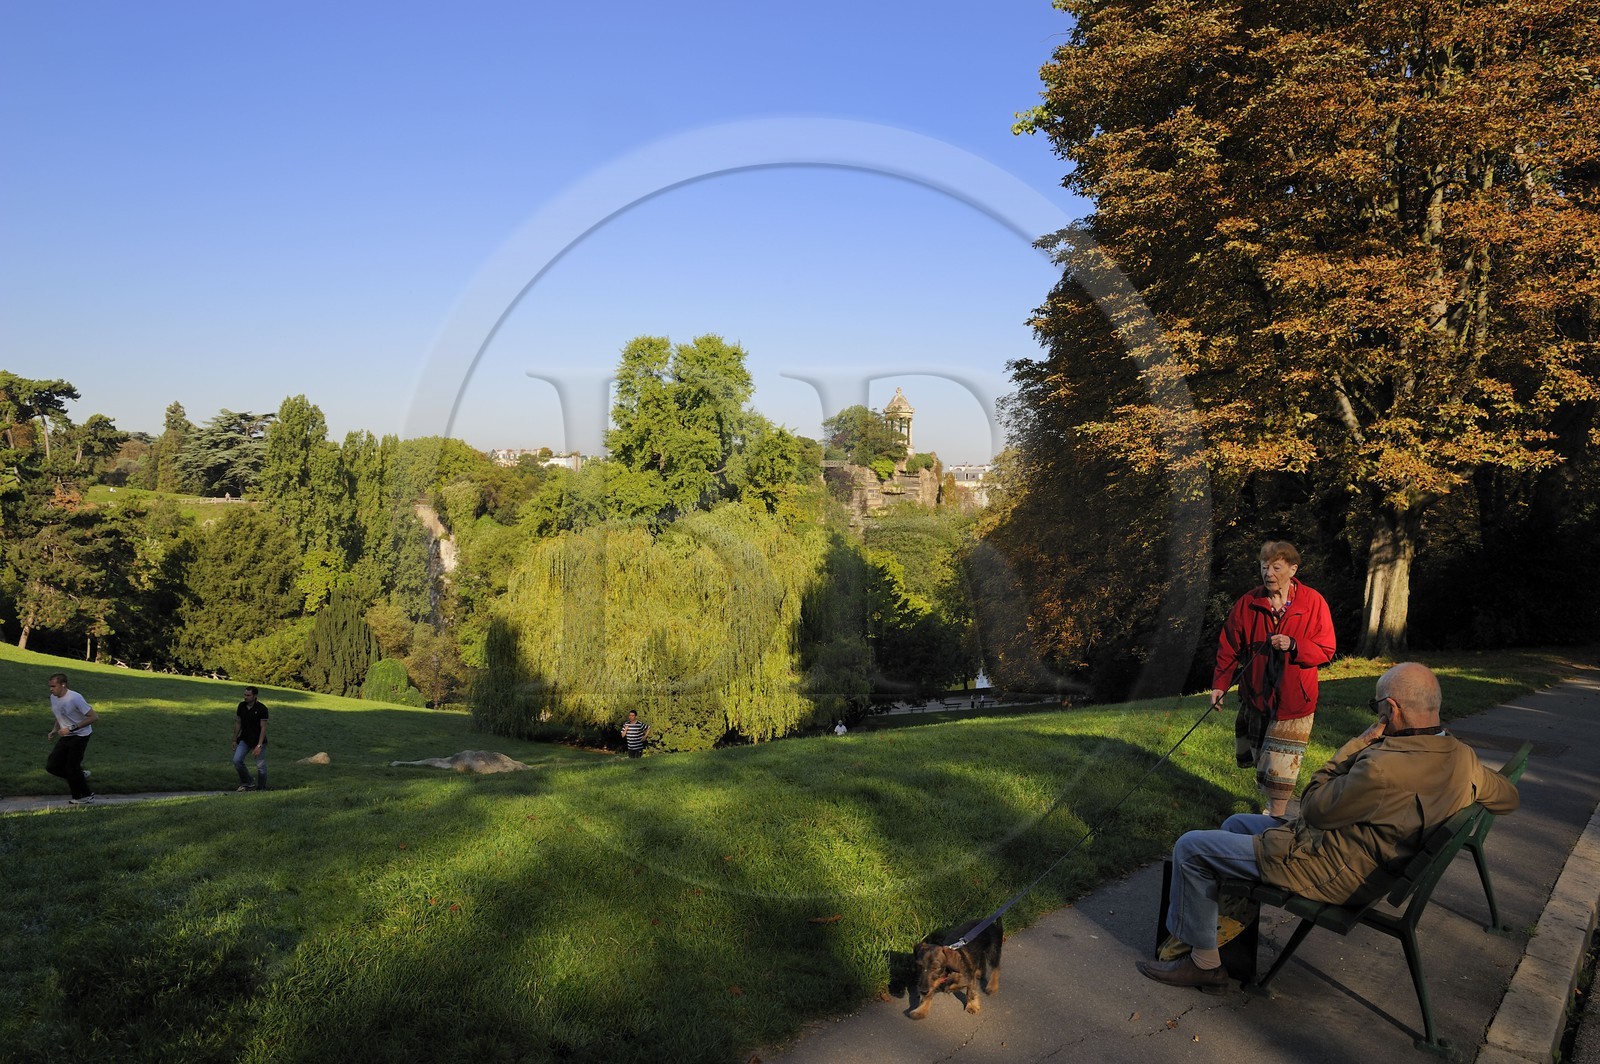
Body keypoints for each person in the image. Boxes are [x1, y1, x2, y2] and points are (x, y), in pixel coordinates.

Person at [1139, 661, 1520, 989]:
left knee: (1191, 847)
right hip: (1364, 860)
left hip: (1332, 869)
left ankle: (1204, 966)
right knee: (1237, 822)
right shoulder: (1462, 757)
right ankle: (1220, 938)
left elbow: (1314, 809)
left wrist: (1357, 744)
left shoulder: (1383, 767)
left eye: (1377, 708)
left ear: (1391, 709)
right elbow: (1506, 797)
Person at [1209, 540, 1336, 816]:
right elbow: (1229, 646)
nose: (1269, 574)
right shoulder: (1248, 603)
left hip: (1294, 702)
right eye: (1265, 567)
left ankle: (1274, 819)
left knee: (1280, 767)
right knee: (1262, 762)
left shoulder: (1313, 602)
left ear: (1292, 569)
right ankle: (1270, 808)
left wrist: (1294, 645)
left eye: (1276, 567)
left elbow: (1327, 649)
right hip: (1256, 697)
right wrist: (1220, 685)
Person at [46, 672, 99, 804]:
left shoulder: (75, 698)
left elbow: (93, 717)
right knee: (52, 766)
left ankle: (85, 796)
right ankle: (80, 775)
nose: (51, 689)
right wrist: (55, 729)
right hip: (66, 735)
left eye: (53, 686)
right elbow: (61, 715)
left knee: (71, 768)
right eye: (50, 686)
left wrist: (71, 728)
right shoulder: (53, 697)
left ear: (63, 685)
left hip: (80, 735)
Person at [232, 686, 269, 791]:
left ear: (255, 696)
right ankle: (247, 782)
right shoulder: (241, 706)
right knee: (237, 760)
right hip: (245, 739)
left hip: (258, 740)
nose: (245, 697)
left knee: (260, 766)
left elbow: (263, 728)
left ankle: (261, 789)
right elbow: (238, 722)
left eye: (248, 695)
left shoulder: (262, 709)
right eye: (245, 695)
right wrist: (234, 739)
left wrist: (259, 745)